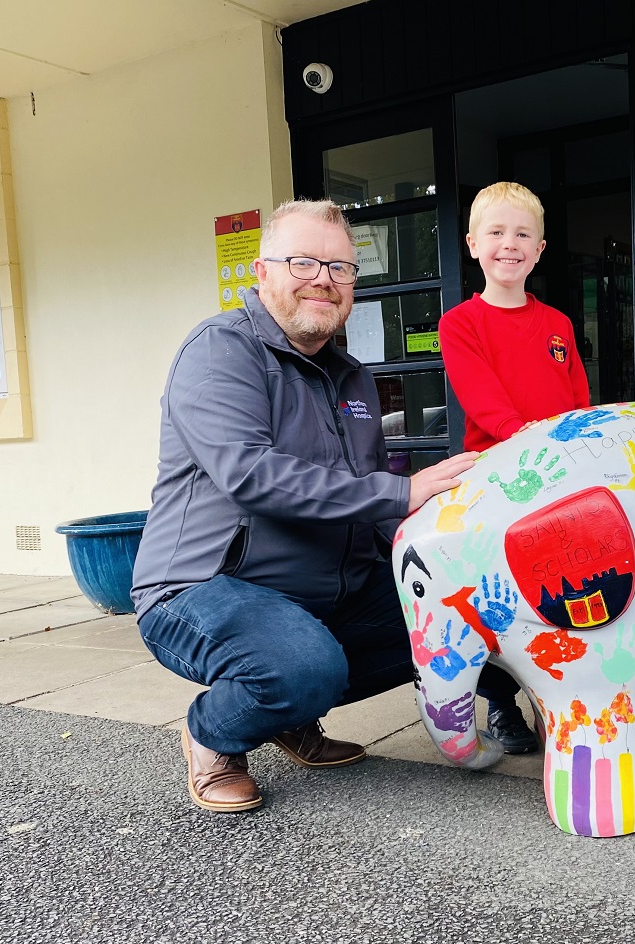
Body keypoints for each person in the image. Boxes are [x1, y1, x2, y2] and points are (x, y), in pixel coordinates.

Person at [131, 199, 476, 812]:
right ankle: (214, 733)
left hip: (324, 591)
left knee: (456, 617)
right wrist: (404, 489)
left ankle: (286, 710)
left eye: (340, 267)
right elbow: (251, 475)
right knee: (302, 667)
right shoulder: (220, 351)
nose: (323, 278)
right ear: (261, 273)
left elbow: (368, 496)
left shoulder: (351, 376)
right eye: (304, 261)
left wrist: (446, 546)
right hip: (204, 586)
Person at [437, 181, 591, 754]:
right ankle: (502, 704)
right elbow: (483, 401)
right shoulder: (461, 324)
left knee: (560, 589)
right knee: (495, 596)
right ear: (473, 244)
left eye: (522, 233)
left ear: (541, 248)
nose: (510, 244)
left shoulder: (558, 324)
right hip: (499, 476)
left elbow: (578, 397)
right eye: (496, 233)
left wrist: (583, 445)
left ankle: (563, 697)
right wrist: (528, 440)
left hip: (560, 478)